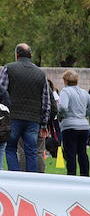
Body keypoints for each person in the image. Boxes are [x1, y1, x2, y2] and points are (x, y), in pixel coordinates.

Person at [4, 44, 53, 172]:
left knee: (10, 149)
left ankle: (15, 176)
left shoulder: (8, 69)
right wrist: (44, 124)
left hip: (13, 117)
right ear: (30, 55)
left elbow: (2, 92)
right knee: (31, 151)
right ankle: (31, 179)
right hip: (33, 119)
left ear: (17, 55)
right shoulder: (41, 73)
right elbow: (46, 101)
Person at [57, 69, 90, 177]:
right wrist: (84, 114)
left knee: (70, 154)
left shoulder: (65, 91)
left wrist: (61, 116)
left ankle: (72, 176)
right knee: (82, 153)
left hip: (69, 126)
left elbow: (63, 107)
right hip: (83, 126)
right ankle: (85, 175)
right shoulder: (83, 92)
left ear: (65, 80)